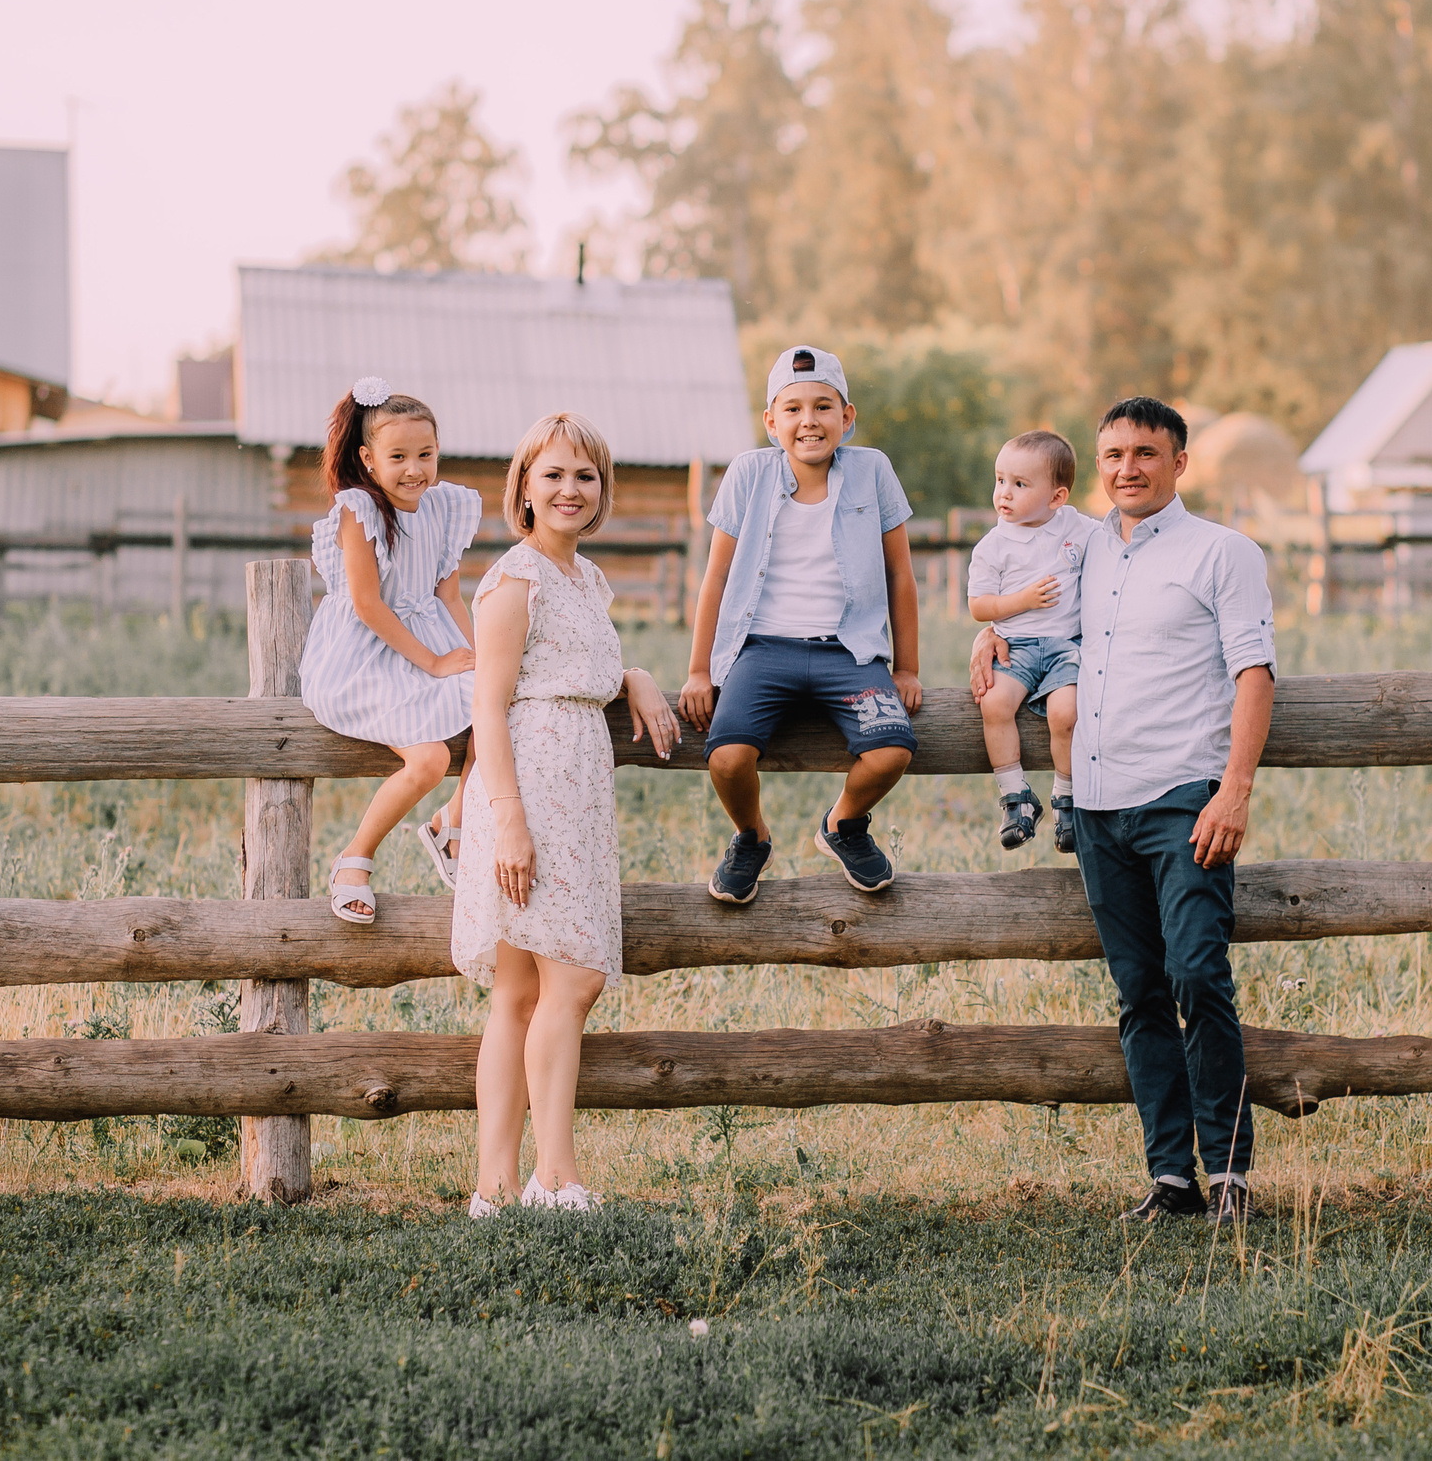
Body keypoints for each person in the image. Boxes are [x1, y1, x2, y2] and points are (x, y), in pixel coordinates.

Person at [974, 396, 1274, 1224]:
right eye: (1112, 455)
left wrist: (1234, 790)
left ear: (1180, 462)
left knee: (1197, 975)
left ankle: (1230, 1174)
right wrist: (987, 635)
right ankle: (1170, 1178)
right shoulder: (1080, 549)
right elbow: (1022, 605)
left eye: (1145, 453)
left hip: (1184, 796)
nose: (1127, 468)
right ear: (1095, 467)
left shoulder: (1224, 552)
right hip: (1098, 805)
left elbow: (1255, 673)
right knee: (1139, 991)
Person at [453, 412, 680, 1214]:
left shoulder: (586, 579)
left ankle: (493, 1187)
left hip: (577, 787)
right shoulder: (514, 579)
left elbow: (580, 665)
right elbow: (489, 703)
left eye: (584, 476)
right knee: (574, 978)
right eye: (552, 474)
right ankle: (557, 1174)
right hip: (531, 791)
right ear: (523, 486)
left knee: (519, 991)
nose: (569, 489)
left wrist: (638, 675)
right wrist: (509, 818)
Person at [679, 345, 923, 904]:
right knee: (727, 756)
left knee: (893, 748)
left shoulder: (873, 471)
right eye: (792, 410)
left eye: (823, 407)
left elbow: (900, 574)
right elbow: (715, 578)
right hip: (763, 650)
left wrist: (907, 667)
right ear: (771, 421)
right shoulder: (748, 474)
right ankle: (751, 836)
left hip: (850, 653)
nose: (808, 421)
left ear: (847, 416)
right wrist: (698, 671)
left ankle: (842, 825)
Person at [297, 377, 479, 925]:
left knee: (503, 703)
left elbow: (447, 593)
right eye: (398, 456)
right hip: (366, 654)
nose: (415, 469)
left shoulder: (444, 506)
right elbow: (369, 605)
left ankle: (455, 822)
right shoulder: (360, 510)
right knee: (430, 757)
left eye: (426, 454)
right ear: (368, 459)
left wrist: (475, 656)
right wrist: (435, 662)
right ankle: (354, 861)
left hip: (429, 636)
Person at [966, 430, 1096, 852]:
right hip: (1015, 647)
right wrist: (1021, 601)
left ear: (1056, 497)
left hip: (1066, 647)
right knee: (994, 704)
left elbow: (1120, 538)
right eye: (1000, 480)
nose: (1004, 493)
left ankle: (1066, 798)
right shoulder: (994, 545)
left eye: (1019, 485)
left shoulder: (1078, 527)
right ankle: (1015, 797)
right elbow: (978, 606)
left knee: (1067, 713)